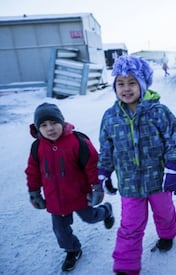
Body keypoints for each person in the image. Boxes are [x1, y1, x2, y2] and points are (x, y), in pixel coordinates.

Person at [98, 55, 176, 275]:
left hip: (158, 181)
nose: (126, 88)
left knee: (164, 213)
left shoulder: (159, 112)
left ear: (142, 84)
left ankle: (167, 234)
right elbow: (106, 148)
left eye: (132, 82)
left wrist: (173, 170)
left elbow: (175, 140)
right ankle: (126, 266)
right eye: (120, 83)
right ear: (114, 86)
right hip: (129, 184)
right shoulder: (110, 117)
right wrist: (103, 173)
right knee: (130, 225)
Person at [25, 103, 115, 272]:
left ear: (62, 122)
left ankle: (107, 211)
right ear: (38, 128)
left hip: (79, 195)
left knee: (91, 217)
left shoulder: (77, 142)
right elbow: (33, 172)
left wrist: (97, 188)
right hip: (54, 198)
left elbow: (92, 165)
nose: (50, 128)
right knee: (60, 229)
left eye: (53, 123)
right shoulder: (37, 147)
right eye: (43, 125)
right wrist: (34, 193)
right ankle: (73, 250)